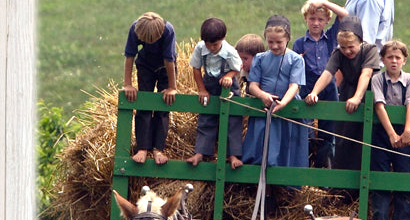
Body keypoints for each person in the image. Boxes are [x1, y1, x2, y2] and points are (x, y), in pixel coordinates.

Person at [305, 15, 380, 172]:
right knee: (343, 140)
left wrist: (357, 97)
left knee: (366, 140)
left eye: (351, 46)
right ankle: (340, 188)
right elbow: (327, 73)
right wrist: (314, 92)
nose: (347, 51)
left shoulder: (370, 50)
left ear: (360, 41)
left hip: (368, 94)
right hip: (347, 94)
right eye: (343, 47)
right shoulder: (338, 53)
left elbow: (366, 74)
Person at [241, 14, 308, 169]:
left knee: (286, 151)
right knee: (261, 151)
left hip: (287, 109)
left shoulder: (296, 60)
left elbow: (294, 86)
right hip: (264, 109)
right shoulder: (260, 58)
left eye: (279, 42)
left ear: (287, 39)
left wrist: (283, 103)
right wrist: (262, 95)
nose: (275, 46)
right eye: (271, 42)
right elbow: (252, 85)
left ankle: (283, 188)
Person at [370, 39, 410, 220]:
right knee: (380, 176)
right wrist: (391, 133)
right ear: (382, 59)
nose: (394, 61)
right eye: (389, 57)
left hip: (403, 132)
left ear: (404, 60)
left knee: (403, 176)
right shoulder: (377, 80)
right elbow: (379, 105)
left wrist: (407, 130)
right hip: (382, 132)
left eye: (398, 57)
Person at [293, 0, 345, 167]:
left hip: (329, 88)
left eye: (320, 19)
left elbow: (344, 15)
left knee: (329, 133)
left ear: (327, 21)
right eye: (312, 18)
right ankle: (305, 167)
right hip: (307, 87)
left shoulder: (331, 37)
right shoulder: (299, 43)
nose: (316, 23)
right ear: (305, 19)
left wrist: (323, 2)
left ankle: (324, 172)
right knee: (306, 131)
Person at [187, 17, 243, 169]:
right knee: (206, 118)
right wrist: (202, 89)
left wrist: (228, 77)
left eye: (215, 44)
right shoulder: (200, 48)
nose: (211, 47)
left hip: (228, 87)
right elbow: (196, 69)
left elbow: (237, 68)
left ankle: (233, 155)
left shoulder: (230, 51)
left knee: (233, 121)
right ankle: (201, 152)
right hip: (209, 84)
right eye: (208, 44)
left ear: (223, 39)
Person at [122, 11, 177, 165]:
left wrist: (172, 87)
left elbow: (169, 60)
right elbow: (129, 56)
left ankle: (158, 149)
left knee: (163, 105)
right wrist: (128, 84)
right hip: (145, 64)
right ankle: (143, 148)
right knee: (143, 104)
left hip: (166, 67)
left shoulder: (168, 31)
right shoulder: (135, 28)